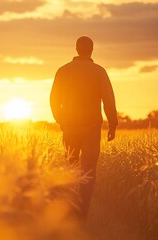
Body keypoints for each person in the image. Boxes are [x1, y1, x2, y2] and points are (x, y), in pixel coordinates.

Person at [50, 36, 118, 219]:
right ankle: (82, 214)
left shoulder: (63, 71)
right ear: (92, 49)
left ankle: (68, 210)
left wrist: (60, 120)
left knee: (70, 167)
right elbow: (109, 100)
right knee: (88, 170)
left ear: (76, 49)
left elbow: (54, 99)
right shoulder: (99, 72)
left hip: (70, 127)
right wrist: (113, 124)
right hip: (91, 128)